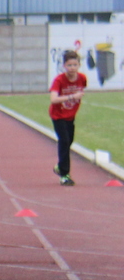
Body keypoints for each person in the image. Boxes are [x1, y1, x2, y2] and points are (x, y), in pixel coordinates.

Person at [50, 49, 87, 186]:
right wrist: (72, 96)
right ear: (64, 66)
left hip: (70, 116)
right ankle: (65, 175)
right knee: (64, 141)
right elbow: (53, 99)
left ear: (79, 65)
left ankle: (60, 166)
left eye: (75, 65)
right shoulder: (59, 80)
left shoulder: (82, 78)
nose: (72, 68)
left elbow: (82, 89)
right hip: (58, 115)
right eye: (69, 65)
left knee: (69, 141)